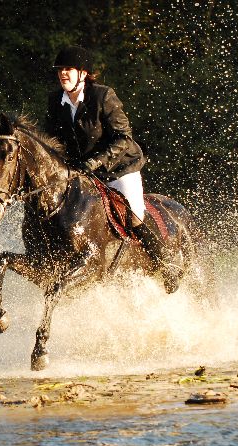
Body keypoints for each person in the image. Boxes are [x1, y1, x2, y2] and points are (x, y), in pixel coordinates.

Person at [43, 45, 171, 280]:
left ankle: (166, 265)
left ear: (82, 73)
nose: (62, 74)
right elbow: (51, 141)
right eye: (60, 70)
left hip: (119, 169)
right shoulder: (55, 101)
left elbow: (124, 138)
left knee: (135, 215)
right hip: (83, 173)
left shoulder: (103, 96)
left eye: (68, 69)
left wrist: (93, 163)